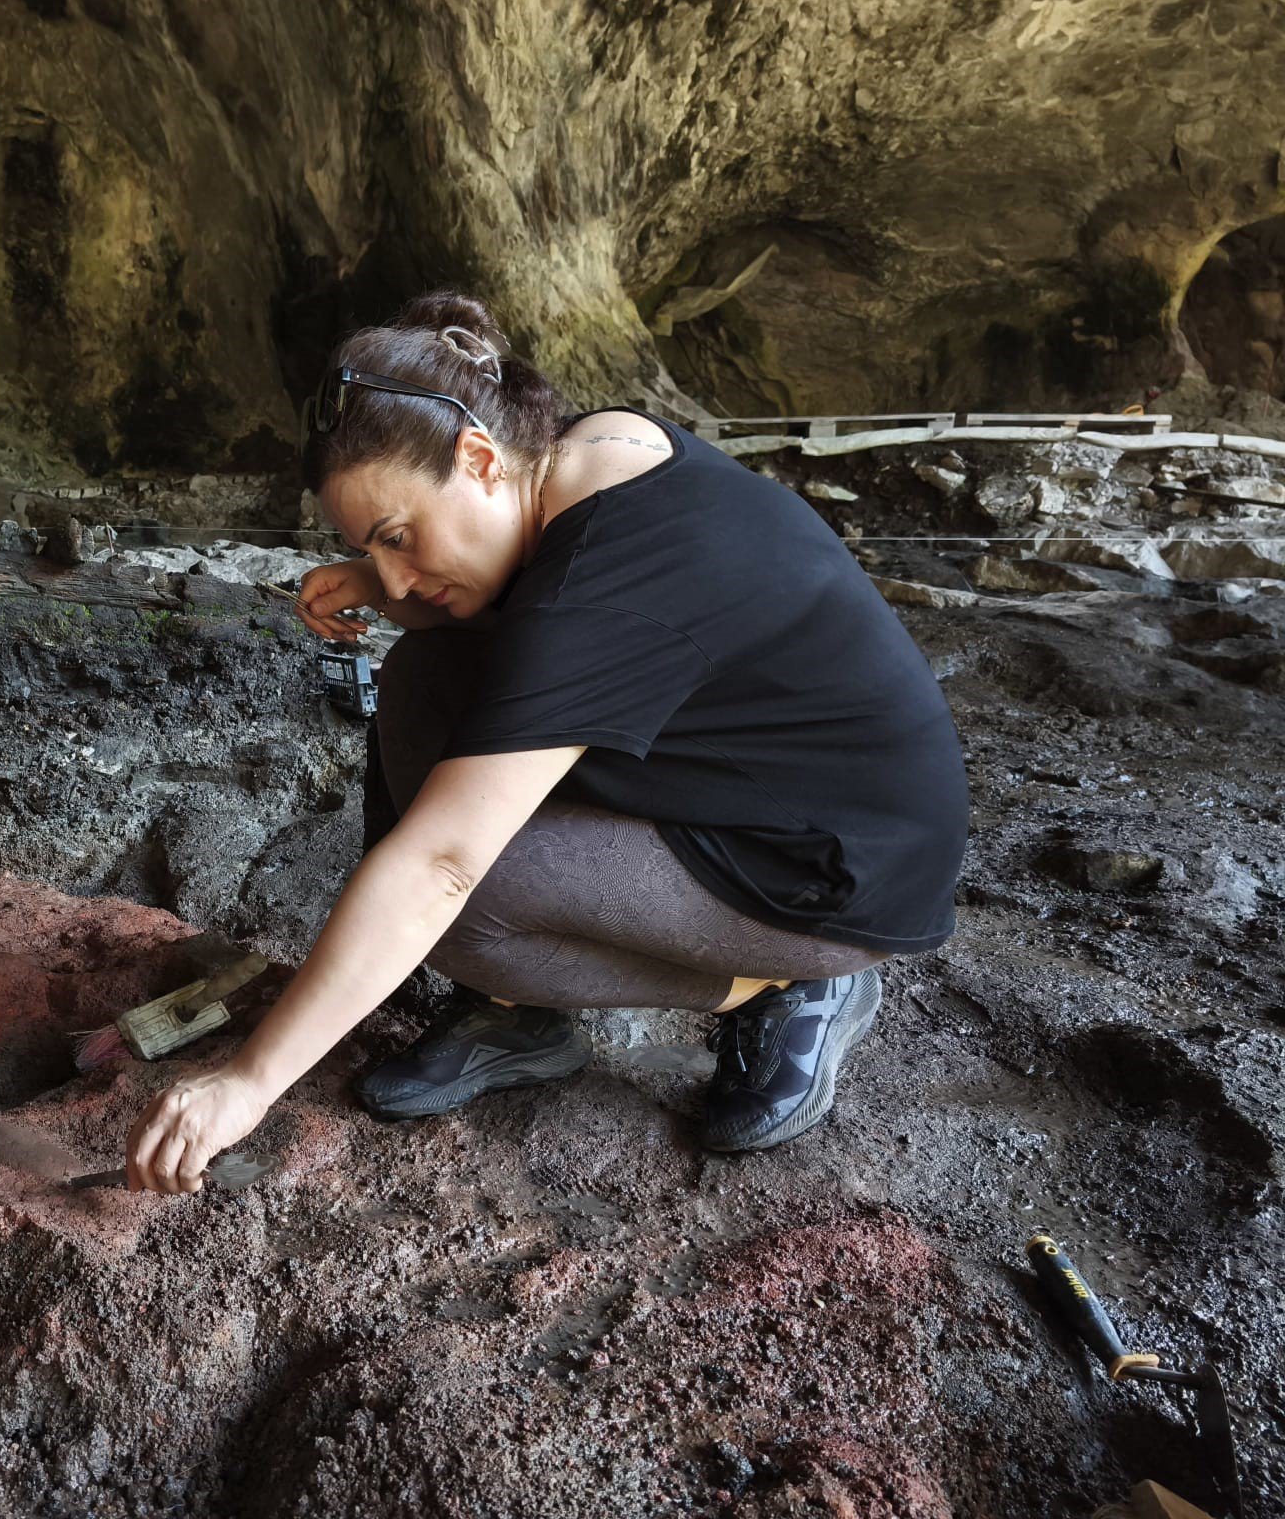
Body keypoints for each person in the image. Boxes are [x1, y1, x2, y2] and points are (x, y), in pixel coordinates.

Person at [124, 290, 968, 1194]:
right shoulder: (591, 450)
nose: (397, 567)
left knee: (465, 904)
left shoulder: (608, 583)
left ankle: (782, 989)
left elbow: (441, 863)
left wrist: (249, 1082)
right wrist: (386, 580)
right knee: (425, 671)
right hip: (747, 777)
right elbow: (524, 595)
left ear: (481, 458)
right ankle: (521, 1014)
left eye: (401, 535)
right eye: (376, 545)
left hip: (832, 869)